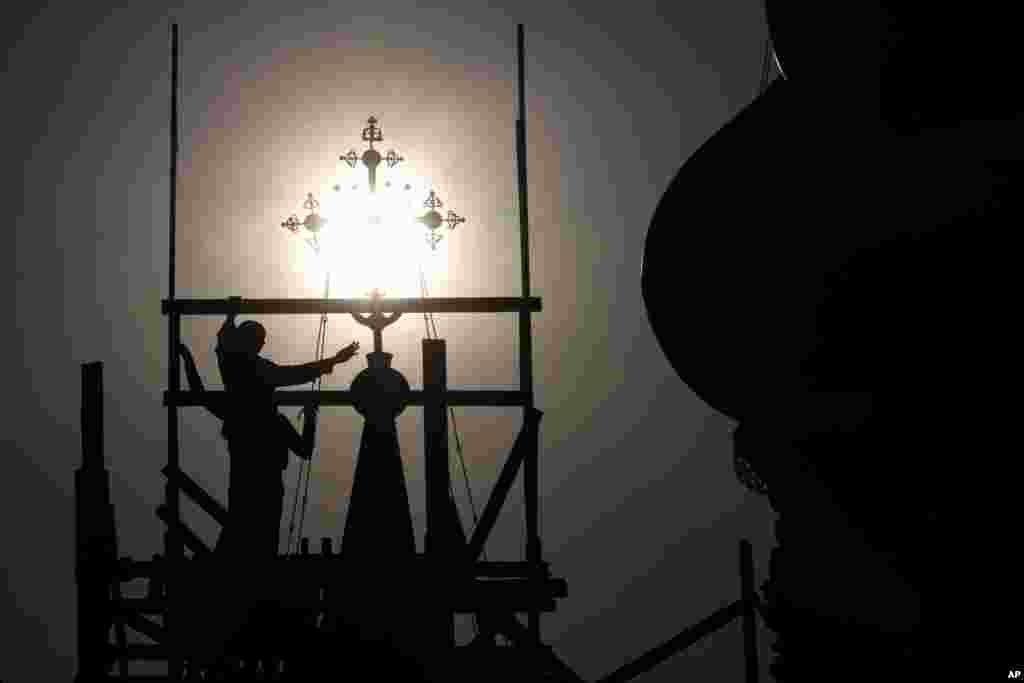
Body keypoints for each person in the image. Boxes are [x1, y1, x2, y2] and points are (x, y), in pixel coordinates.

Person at [214, 296, 360, 558]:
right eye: (259, 338)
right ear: (251, 342)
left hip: (248, 454)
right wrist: (332, 363)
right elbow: (293, 375)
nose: (263, 343)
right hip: (262, 462)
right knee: (259, 527)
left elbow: (223, 345)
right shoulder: (252, 370)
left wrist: (230, 316)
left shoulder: (235, 367)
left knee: (243, 520)